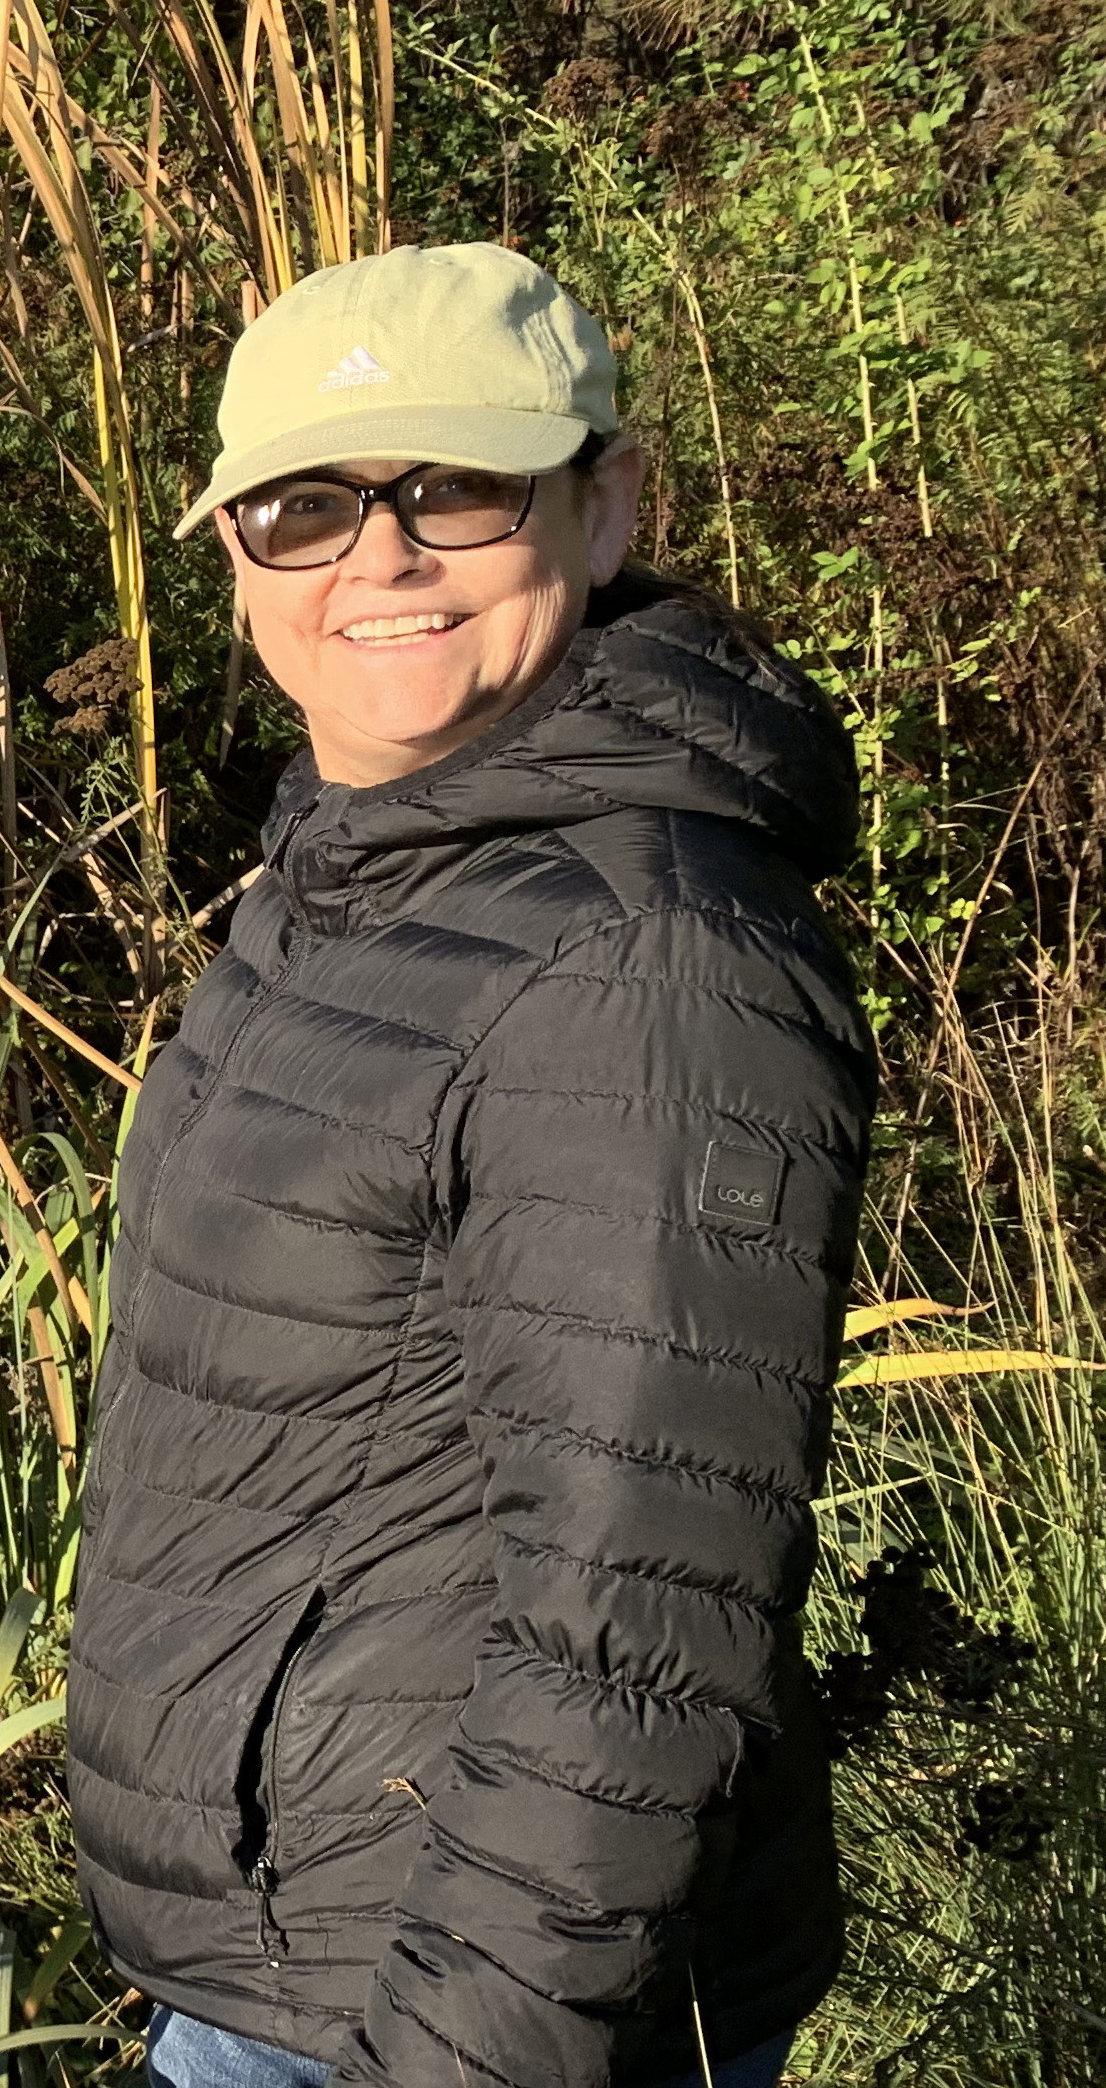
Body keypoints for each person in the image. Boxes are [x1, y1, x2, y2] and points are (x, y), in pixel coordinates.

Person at [66, 244, 869, 2088]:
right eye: (302, 506)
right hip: (294, 1950)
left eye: (454, 486)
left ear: (604, 509)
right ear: (235, 554)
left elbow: (634, 1636)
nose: (378, 558)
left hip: (436, 2005)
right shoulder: (366, 875)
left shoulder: (644, 959)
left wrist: (463, 2053)